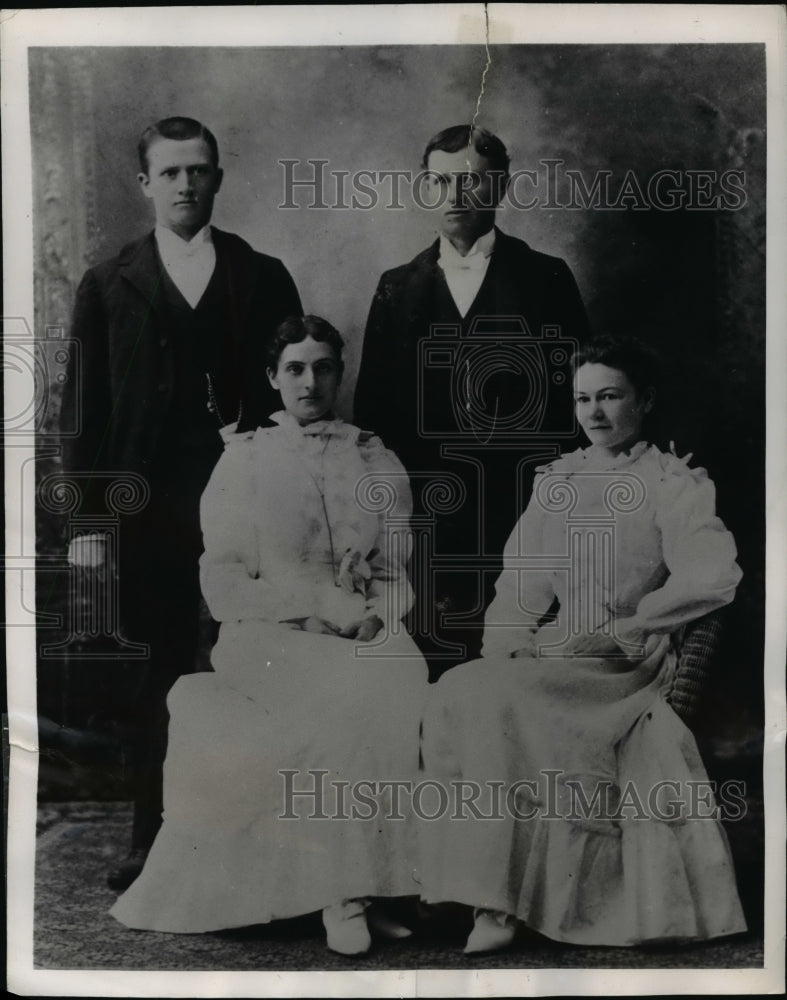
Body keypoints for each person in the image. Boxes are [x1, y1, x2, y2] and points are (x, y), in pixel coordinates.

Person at [110, 315, 428, 955]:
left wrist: (379, 615)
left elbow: (395, 573)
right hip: (268, 635)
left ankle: (378, 885)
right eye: (295, 369)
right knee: (342, 693)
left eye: (324, 368)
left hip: (357, 628)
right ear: (273, 377)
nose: (311, 382)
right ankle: (343, 896)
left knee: (399, 673)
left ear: (340, 374)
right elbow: (224, 580)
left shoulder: (376, 458)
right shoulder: (246, 460)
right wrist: (309, 612)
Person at [419, 335, 746, 953]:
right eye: (583, 398)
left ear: (645, 400)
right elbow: (520, 585)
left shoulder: (672, 481)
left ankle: (500, 908)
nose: (595, 411)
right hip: (562, 649)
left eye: (610, 396)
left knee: (504, 701)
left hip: (627, 660)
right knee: (463, 687)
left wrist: (634, 626)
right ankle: (474, 889)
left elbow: (714, 575)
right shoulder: (560, 480)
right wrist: (508, 646)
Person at [60, 116, 302, 890]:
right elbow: (84, 411)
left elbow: (293, 394)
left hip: (245, 501)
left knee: (254, 659)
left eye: (198, 170)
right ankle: (152, 838)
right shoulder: (108, 282)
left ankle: (258, 832)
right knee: (155, 671)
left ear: (218, 178)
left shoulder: (261, 276)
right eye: (169, 172)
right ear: (145, 184)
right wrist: (89, 522)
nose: (185, 184)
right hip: (145, 509)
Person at [354, 124, 590, 680]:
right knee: (429, 658)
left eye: (471, 181)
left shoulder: (546, 277)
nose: (455, 195)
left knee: (510, 659)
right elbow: (373, 412)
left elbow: (576, 403)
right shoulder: (396, 286)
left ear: (500, 186)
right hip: (425, 512)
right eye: (440, 182)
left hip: (518, 504)